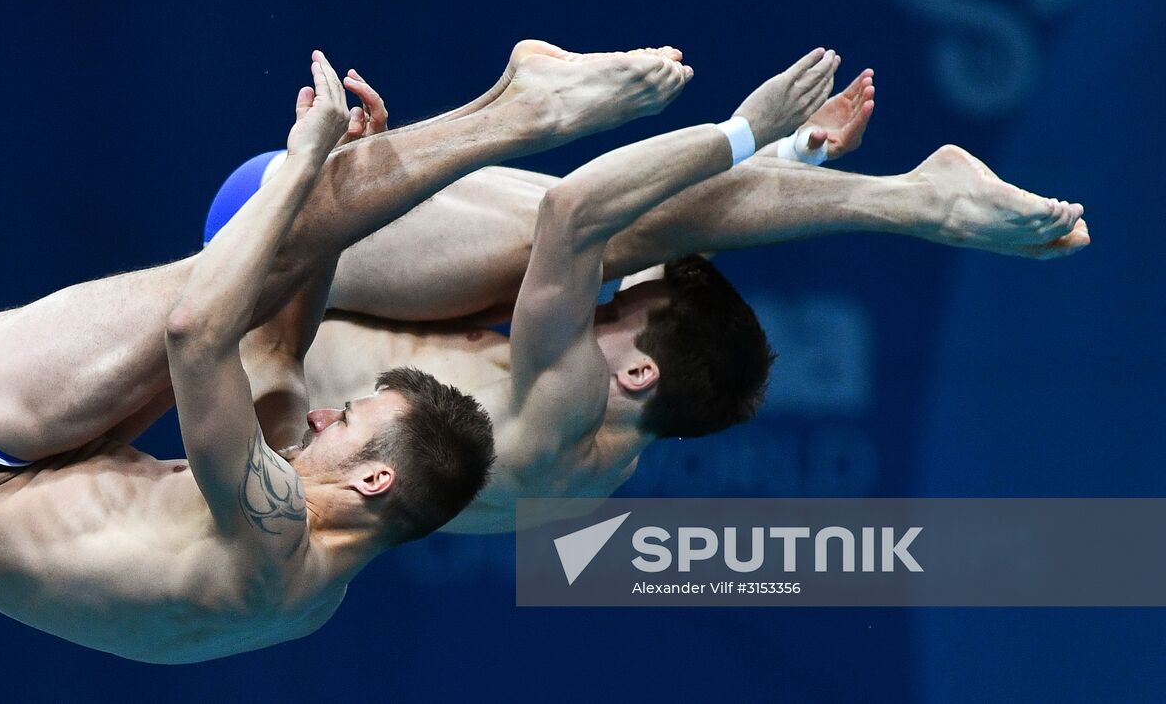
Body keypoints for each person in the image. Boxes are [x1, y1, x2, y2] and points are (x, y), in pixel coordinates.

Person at [0, 47, 692, 661]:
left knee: (251, 254)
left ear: (376, 477)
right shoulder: (307, 588)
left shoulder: (274, 530)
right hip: (19, 471)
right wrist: (344, 189)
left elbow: (196, 334)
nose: (334, 408)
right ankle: (497, 110)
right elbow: (274, 351)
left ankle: (523, 113)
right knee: (292, 262)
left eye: (353, 417)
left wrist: (302, 169)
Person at [213, 43, 1088, 534]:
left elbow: (576, 212)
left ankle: (917, 203)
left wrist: (747, 134)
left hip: (259, 250)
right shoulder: (610, 447)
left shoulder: (559, 419)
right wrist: (792, 160)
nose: (605, 297)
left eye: (617, 308)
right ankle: (911, 198)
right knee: (632, 234)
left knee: (610, 228)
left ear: (635, 374)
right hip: (309, 269)